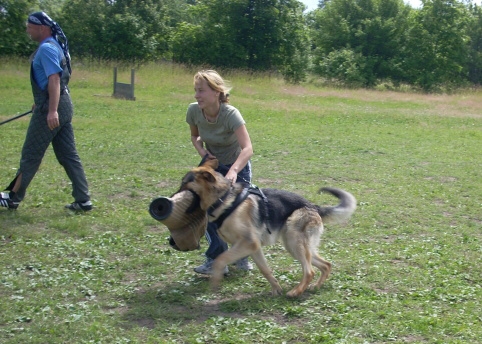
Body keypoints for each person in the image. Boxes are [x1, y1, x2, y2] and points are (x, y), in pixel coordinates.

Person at [0, 12, 91, 211]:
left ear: (42, 28)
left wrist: (51, 110)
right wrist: (42, 101)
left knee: (31, 154)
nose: (27, 30)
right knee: (68, 155)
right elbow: (58, 80)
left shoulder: (47, 49)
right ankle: (83, 199)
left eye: (29, 27)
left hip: (53, 108)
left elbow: (55, 79)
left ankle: (13, 196)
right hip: (63, 104)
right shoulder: (55, 45)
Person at [186, 70, 254, 274]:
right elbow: (195, 137)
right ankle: (216, 259)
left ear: (216, 92)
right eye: (195, 91)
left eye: (201, 91)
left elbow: (248, 148)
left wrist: (233, 171)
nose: (197, 95)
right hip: (212, 166)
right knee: (205, 209)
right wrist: (203, 153)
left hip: (237, 165)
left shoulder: (231, 114)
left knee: (238, 213)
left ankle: (242, 256)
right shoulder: (194, 111)